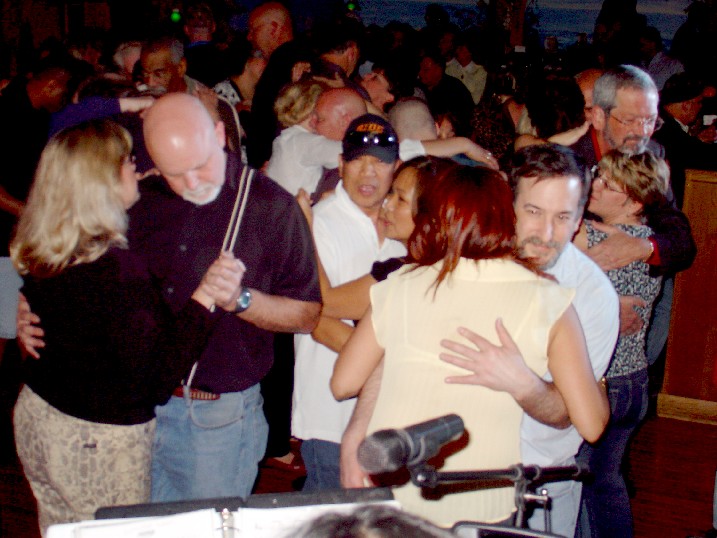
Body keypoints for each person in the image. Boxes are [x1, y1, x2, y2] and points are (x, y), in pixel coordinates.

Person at [335, 163, 609, 526]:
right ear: (508, 216)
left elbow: (343, 383)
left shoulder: (400, 284)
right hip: (482, 507)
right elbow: (592, 426)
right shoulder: (548, 299)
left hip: (394, 502)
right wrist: (599, 386)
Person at [9, 120, 242, 533]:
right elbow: (155, 380)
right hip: (97, 439)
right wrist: (206, 297)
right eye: (128, 161)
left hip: (38, 416)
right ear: (103, 182)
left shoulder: (45, 240)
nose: (137, 167)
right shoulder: (118, 272)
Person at [292, 114, 407, 492]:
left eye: (380, 162)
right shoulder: (320, 223)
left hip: (391, 419)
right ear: (340, 164)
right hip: (331, 417)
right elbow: (314, 316)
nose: (368, 173)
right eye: (358, 160)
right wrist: (387, 362)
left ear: (396, 168)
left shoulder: (406, 226)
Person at [574, 150, 669, 538]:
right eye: (597, 177)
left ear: (634, 202)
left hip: (603, 383)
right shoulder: (649, 244)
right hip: (634, 382)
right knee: (606, 481)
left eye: (607, 185)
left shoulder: (591, 236)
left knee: (580, 482)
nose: (594, 186)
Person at [265, 80, 341, 196]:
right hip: (294, 206)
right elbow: (349, 152)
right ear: (314, 113)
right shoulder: (303, 141)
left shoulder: (285, 139)